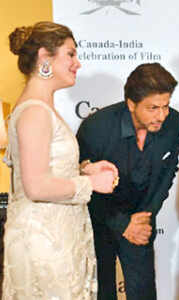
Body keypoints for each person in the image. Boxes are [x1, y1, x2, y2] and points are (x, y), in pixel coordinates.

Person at [2, 21, 118, 299]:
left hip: (55, 238)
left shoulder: (40, 107)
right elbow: (36, 186)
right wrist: (91, 183)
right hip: (43, 243)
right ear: (45, 57)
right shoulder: (35, 112)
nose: (78, 63)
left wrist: (84, 169)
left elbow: (43, 164)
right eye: (70, 54)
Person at [76, 62, 179, 300]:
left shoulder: (174, 122)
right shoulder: (96, 128)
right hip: (100, 222)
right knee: (102, 293)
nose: (162, 115)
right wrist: (123, 225)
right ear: (131, 104)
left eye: (166, 106)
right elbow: (83, 186)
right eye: (153, 108)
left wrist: (146, 216)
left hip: (141, 221)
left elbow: (167, 172)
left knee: (143, 292)